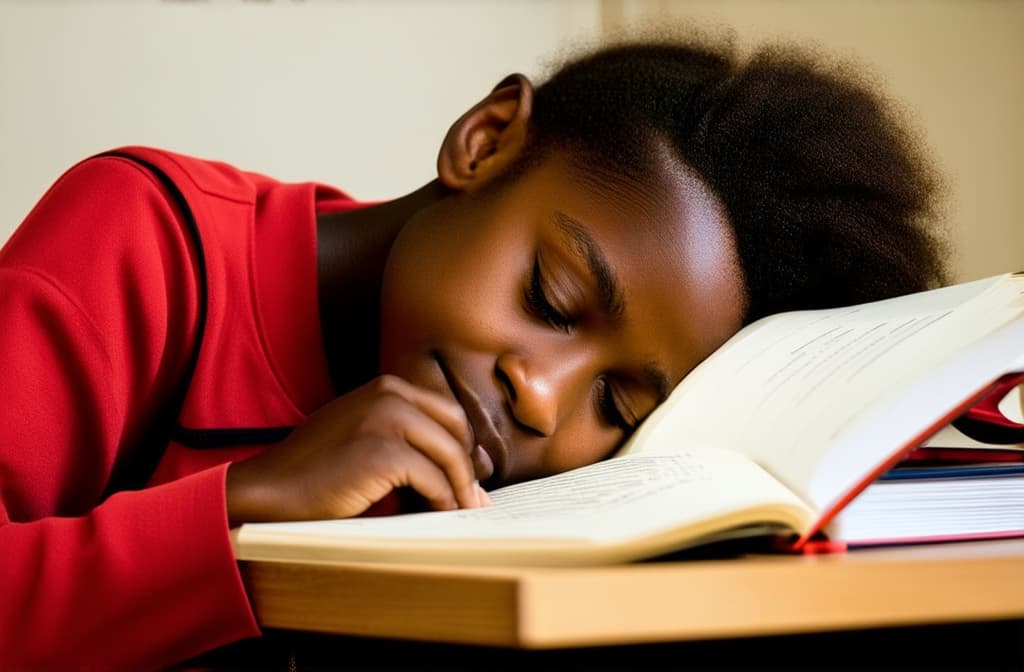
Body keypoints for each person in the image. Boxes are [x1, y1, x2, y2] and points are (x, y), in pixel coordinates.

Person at [0, 34, 948, 671]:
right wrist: (249, 498)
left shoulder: (523, 480)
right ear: (486, 143)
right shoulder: (146, 243)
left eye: (617, 407)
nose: (541, 400)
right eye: (553, 296)